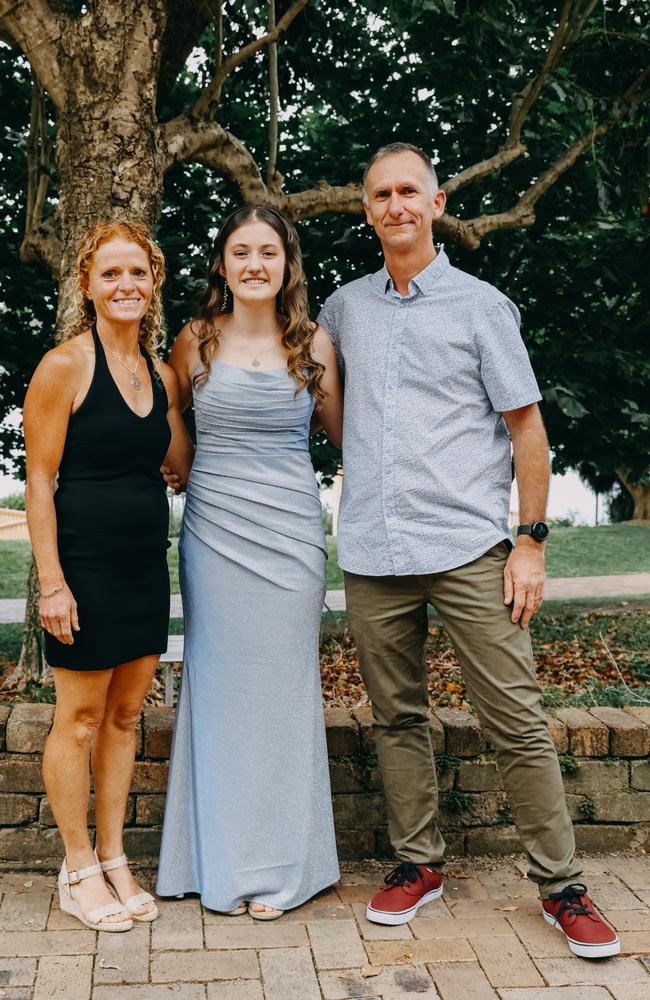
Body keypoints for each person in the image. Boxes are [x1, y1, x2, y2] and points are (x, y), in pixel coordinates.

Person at [317, 142, 620, 959]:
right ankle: (419, 865)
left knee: (515, 719)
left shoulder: (483, 306)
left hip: (467, 546)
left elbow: (528, 430)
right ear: (367, 207)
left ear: (438, 200)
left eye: (408, 190)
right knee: (396, 717)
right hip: (375, 549)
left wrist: (530, 543)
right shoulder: (344, 308)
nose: (394, 205)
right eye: (379, 192)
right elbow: (336, 419)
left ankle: (562, 885)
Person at [156, 205, 343, 919]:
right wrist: (187, 473)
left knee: (283, 691)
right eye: (242, 251)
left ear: (287, 264)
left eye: (268, 251)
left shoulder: (314, 343)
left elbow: (345, 436)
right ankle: (217, 861)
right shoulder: (194, 341)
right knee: (222, 689)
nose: (255, 263)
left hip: (292, 536)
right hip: (214, 532)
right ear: (223, 264)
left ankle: (285, 866)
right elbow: (174, 437)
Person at [24, 220, 194, 932]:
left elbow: (178, 463)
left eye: (138, 273)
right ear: (87, 287)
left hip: (143, 566)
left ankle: (116, 857)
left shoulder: (162, 374)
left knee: (127, 716)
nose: (126, 285)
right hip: (84, 568)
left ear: (153, 285)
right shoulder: (63, 366)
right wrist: (52, 582)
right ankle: (77, 868)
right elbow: (38, 478)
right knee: (81, 718)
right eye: (111, 274)